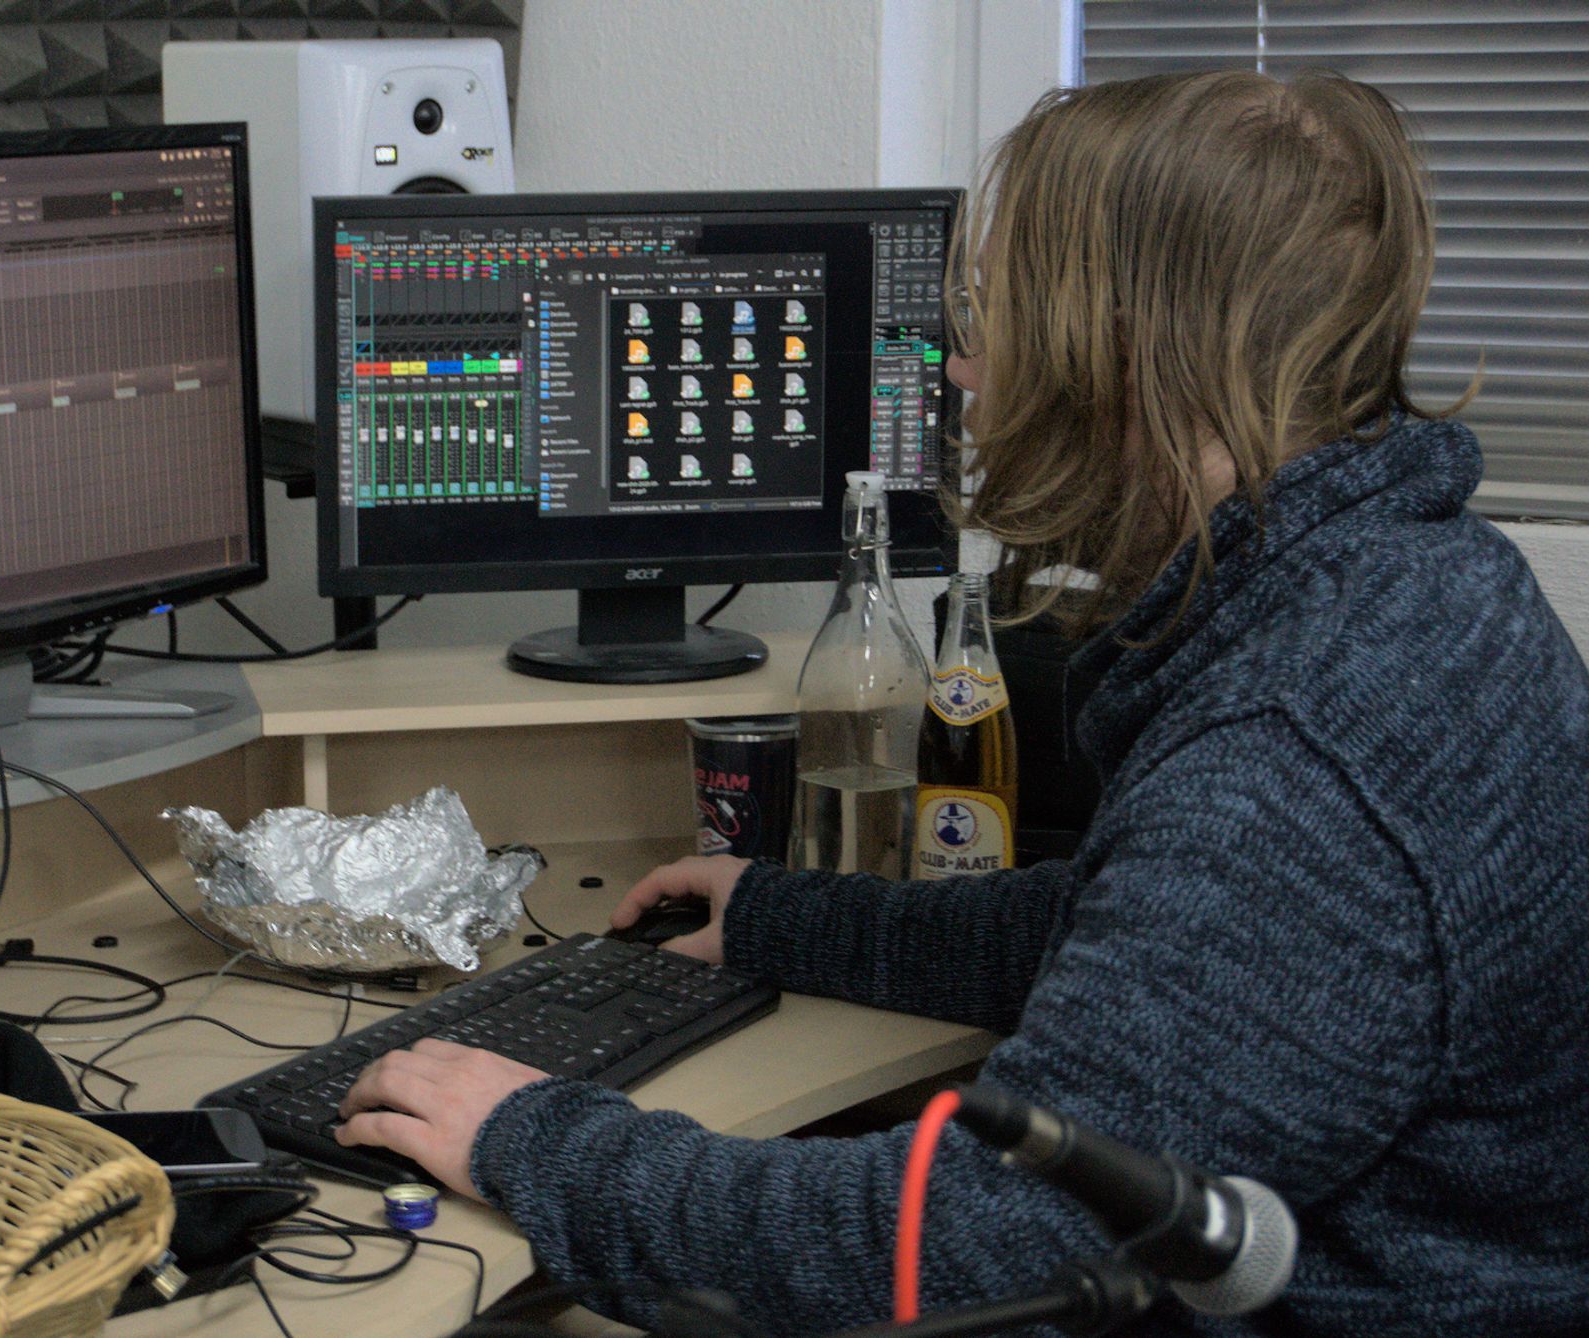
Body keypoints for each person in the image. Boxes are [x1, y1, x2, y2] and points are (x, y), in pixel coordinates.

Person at [335, 69, 1589, 1335]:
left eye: (991, 317)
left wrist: (531, 1138)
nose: (963, 372)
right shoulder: (1420, 585)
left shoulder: (1288, 764)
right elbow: (1150, 943)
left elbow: (963, 1251)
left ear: (1118, 351)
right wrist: (793, 923)